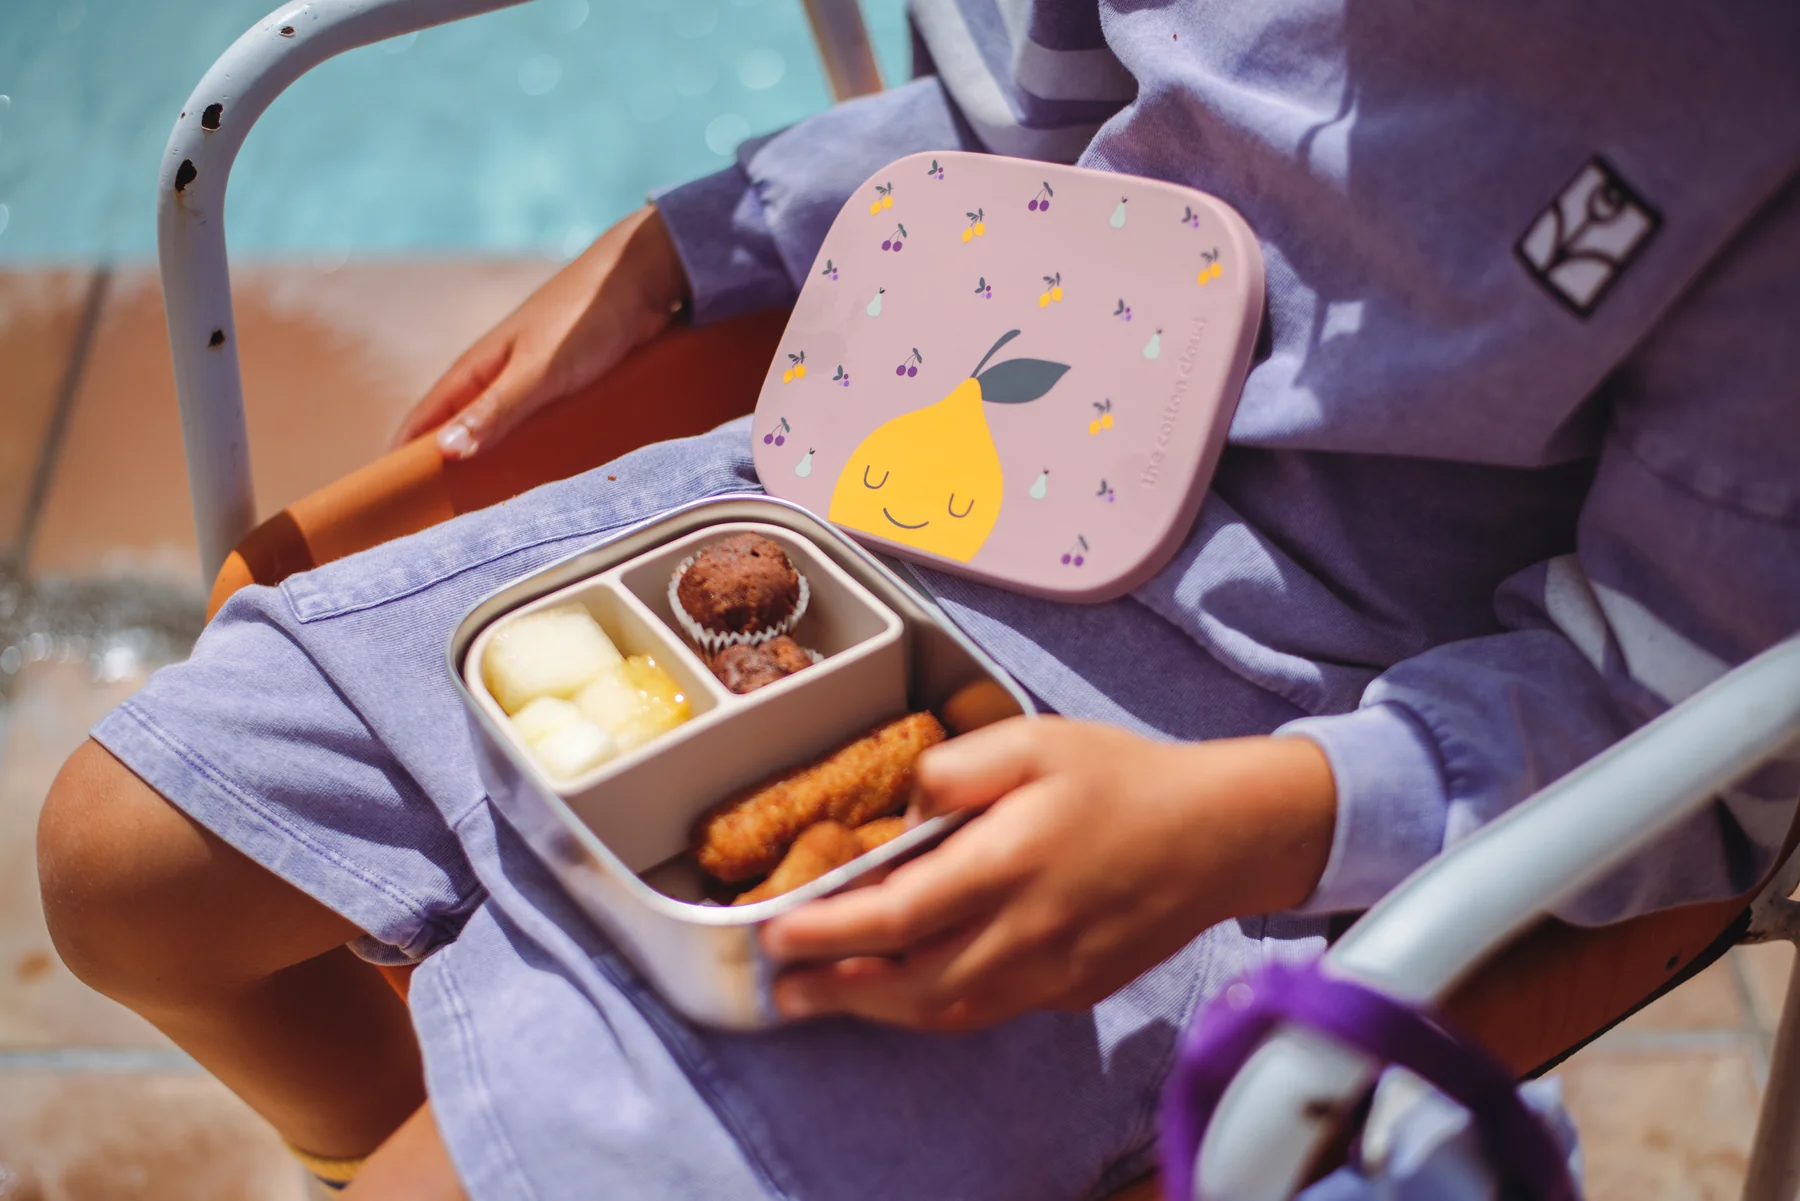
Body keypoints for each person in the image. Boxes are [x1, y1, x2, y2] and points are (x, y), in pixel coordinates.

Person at [37, 1, 1800, 1197]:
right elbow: (1012, 145)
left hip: (1281, 750)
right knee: (122, 864)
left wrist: (1249, 822)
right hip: (916, 469)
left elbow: (1703, 700)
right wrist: (692, 241)